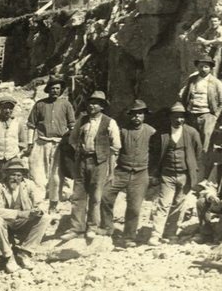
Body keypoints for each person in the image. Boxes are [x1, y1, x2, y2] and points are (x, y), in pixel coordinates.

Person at [61, 91, 121, 240]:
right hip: (81, 161)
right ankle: (76, 228)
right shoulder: (82, 120)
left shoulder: (109, 122)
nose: (91, 106)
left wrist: (108, 163)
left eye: (95, 103)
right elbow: (73, 140)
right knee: (78, 195)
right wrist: (80, 152)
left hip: (99, 162)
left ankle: (92, 227)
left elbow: (116, 145)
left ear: (102, 106)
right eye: (90, 103)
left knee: (96, 196)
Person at [99, 100, 156, 247]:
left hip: (140, 174)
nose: (137, 117)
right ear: (130, 116)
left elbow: (157, 153)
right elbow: (114, 151)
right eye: (134, 114)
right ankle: (107, 228)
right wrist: (111, 172)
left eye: (140, 114)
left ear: (144, 116)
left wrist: (152, 173)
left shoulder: (151, 131)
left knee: (134, 207)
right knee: (105, 195)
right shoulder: (123, 131)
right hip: (121, 171)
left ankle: (129, 237)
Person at [147, 103, 202, 245]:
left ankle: (171, 233)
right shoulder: (161, 134)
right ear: (170, 117)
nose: (179, 120)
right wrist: (154, 173)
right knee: (163, 204)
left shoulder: (191, 133)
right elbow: (154, 153)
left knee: (179, 204)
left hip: (185, 175)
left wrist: (191, 169)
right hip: (167, 175)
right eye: (176, 117)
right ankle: (156, 234)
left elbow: (198, 152)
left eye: (182, 117)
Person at [0, 158, 49, 273]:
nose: (16, 178)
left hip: (22, 222)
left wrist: (38, 210)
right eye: (13, 175)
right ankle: (9, 257)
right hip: (5, 221)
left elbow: (39, 202)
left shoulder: (28, 185)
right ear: (7, 174)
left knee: (45, 218)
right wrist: (21, 213)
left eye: (19, 175)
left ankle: (25, 252)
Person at [26, 75, 76, 214]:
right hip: (41, 142)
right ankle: (38, 204)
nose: (55, 91)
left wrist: (70, 144)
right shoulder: (40, 104)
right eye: (52, 88)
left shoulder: (66, 104)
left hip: (59, 144)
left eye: (58, 89)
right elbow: (31, 125)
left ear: (61, 91)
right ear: (48, 90)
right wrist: (30, 143)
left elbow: (72, 126)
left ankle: (54, 203)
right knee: (37, 173)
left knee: (56, 174)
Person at [180, 53, 222, 175]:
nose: (203, 69)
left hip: (207, 116)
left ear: (211, 68)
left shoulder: (216, 83)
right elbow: (185, 97)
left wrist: (215, 115)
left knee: (205, 144)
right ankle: (189, 169)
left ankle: (202, 172)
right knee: (190, 141)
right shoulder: (192, 80)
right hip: (192, 114)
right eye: (201, 66)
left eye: (206, 66)